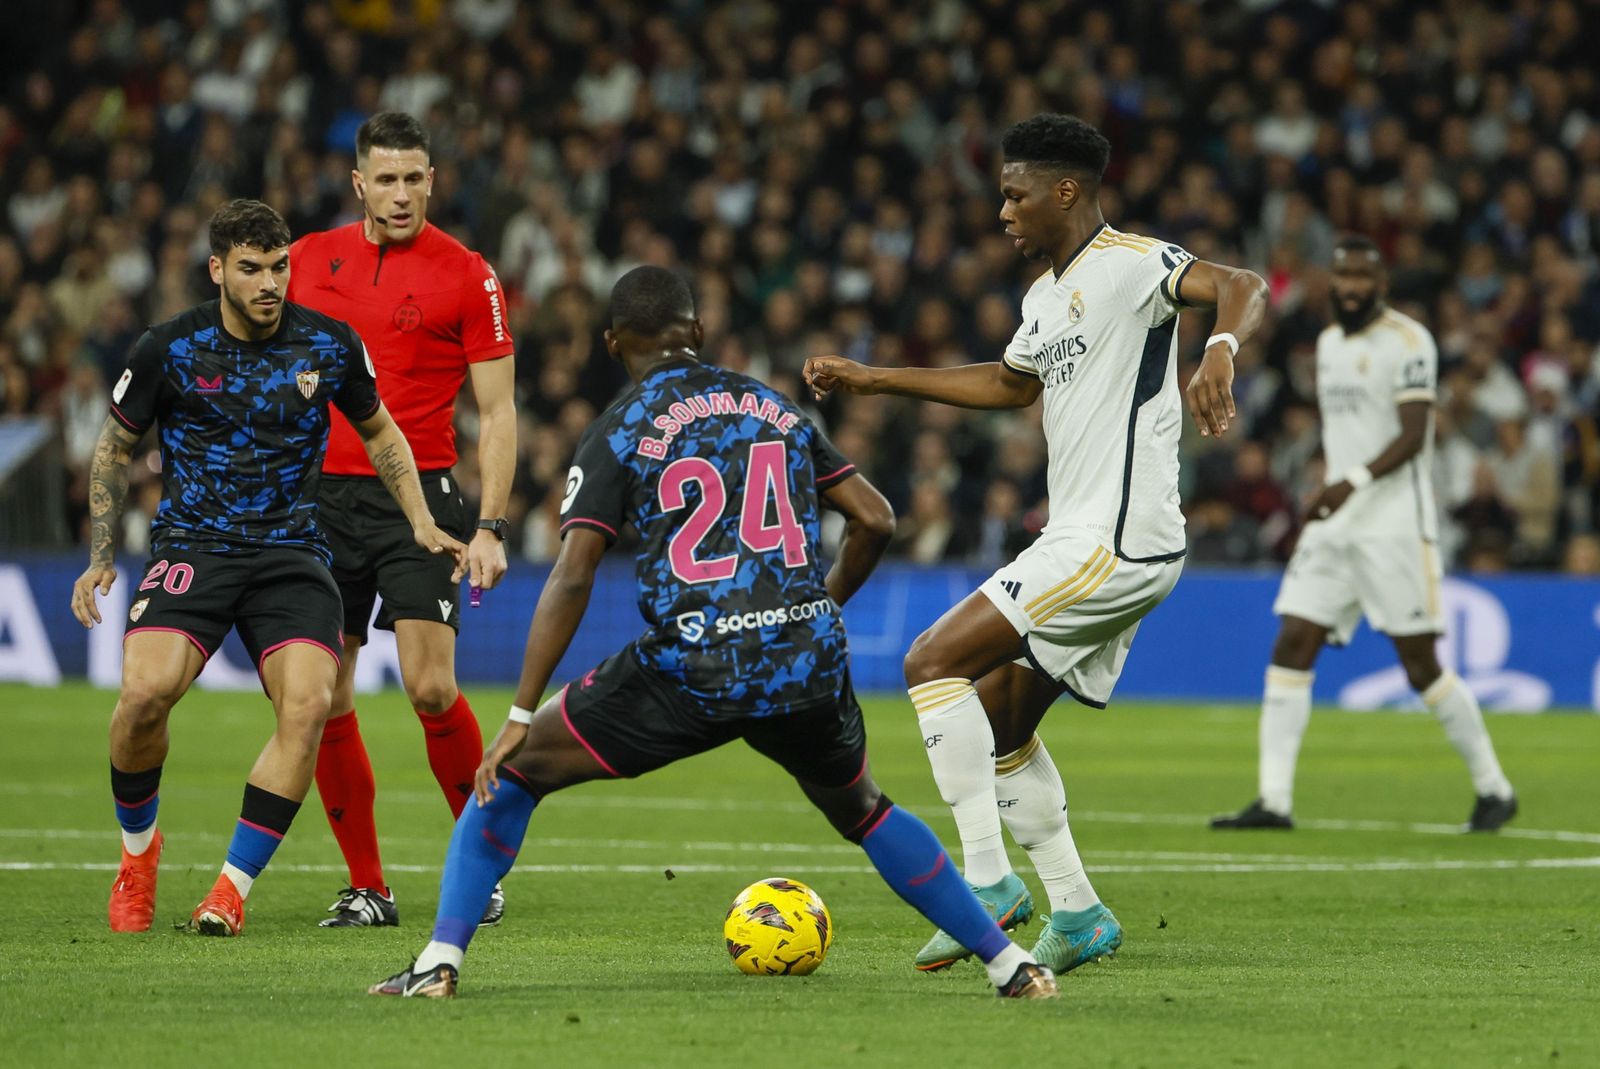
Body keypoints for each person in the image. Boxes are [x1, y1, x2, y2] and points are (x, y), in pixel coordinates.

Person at [369, 265, 1057, 1000]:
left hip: (691, 666)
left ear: (612, 344)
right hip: (803, 659)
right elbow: (877, 518)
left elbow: (572, 574)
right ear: (697, 331)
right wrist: (820, 606)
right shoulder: (775, 407)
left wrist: (516, 713)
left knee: (514, 775)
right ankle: (1012, 965)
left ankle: (438, 963)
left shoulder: (619, 428)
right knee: (863, 807)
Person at [804, 113, 1269, 975]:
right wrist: (875, 378)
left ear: (1066, 190)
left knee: (930, 662)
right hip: (1094, 537)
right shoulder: (1043, 298)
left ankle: (985, 884)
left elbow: (1242, 281)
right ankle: (1079, 908)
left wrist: (1220, 350)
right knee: (1000, 718)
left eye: (1016, 196)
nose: (1004, 212)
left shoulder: (1132, 263)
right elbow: (1009, 383)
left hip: (1114, 538)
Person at [71, 199, 466, 937]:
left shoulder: (329, 344)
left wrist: (418, 518)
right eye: (251, 269)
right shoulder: (169, 347)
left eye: (279, 267)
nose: (269, 283)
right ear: (217, 270)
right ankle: (138, 855)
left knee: (310, 706)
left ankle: (230, 889)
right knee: (143, 697)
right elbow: (114, 447)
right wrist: (100, 556)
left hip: (292, 553)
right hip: (194, 547)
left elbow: (382, 433)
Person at [285, 112, 518, 928]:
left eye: (414, 178)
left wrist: (492, 523)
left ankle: (480, 862)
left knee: (430, 686)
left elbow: (498, 411)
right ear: (358, 183)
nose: (400, 193)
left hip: (423, 500)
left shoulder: (468, 275)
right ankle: (367, 885)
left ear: (432, 182)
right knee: (326, 694)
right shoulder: (306, 259)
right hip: (321, 501)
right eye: (385, 179)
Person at [1211, 236, 1517, 832]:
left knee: (1420, 665)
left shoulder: (1410, 341)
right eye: (1342, 277)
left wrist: (1349, 480)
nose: (1350, 288)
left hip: (1393, 526)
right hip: (1336, 525)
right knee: (1292, 642)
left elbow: (1414, 434)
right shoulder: (1329, 344)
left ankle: (1494, 789)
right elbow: (1348, 433)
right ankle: (1274, 800)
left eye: (1361, 278)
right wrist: (1330, 484)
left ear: (1381, 285)